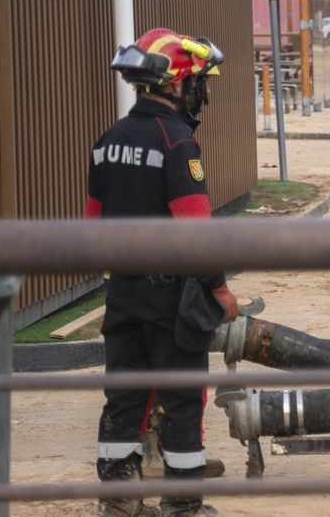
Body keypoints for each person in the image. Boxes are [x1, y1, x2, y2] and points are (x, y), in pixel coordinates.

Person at [93, 28, 240, 517]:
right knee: (181, 399)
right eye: (198, 81)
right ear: (175, 83)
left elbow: (93, 226)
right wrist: (219, 288)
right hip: (170, 299)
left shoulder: (108, 141)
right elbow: (195, 235)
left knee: (124, 398)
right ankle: (183, 505)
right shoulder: (178, 143)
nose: (201, 91)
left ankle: (119, 501)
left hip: (122, 294)